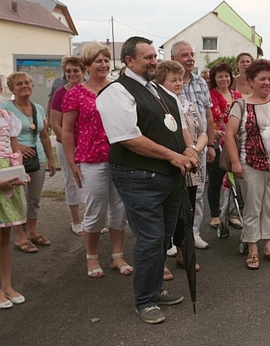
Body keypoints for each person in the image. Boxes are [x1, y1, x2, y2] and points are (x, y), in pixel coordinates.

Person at [96, 36, 199, 324]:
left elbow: (179, 126)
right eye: (147, 58)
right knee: (151, 239)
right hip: (138, 177)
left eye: (155, 56)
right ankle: (145, 300)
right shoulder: (116, 92)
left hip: (168, 177)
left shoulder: (159, 90)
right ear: (129, 61)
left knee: (163, 237)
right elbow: (128, 139)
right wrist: (173, 156)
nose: (154, 61)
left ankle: (154, 290)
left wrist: (189, 149)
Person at [62, 42, 132, 278]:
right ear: (87, 65)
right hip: (91, 161)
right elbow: (67, 131)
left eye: (105, 60)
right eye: (97, 61)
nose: (103, 65)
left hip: (120, 158)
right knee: (94, 211)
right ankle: (91, 258)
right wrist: (72, 163)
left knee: (119, 210)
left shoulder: (118, 89)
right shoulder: (75, 94)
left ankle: (117, 255)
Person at [225, 59, 270, 270]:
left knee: (269, 206)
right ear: (250, 81)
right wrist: (236, 162)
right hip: (251, 164)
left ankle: (267, 246)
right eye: (262, 79)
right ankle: (252, 249)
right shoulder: (241, 104)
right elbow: (229, 135)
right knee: (253, 207)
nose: (267, 83)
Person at [155, 61, 209, 281]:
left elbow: (203, 132)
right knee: (163, 217)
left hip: (190, 166)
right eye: (173, 80)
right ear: (160, 83)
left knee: (185, 214)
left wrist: (194, 150)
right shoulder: (156, 105)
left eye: (180, 79)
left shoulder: (188, 105)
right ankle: (159, 262)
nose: (179, 83)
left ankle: (183, 254)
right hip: (166, 167)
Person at [2, 73, 56, 254]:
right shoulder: (5, 107)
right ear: (11, 88)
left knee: (34, 199)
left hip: (38, 159)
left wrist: (50, 159)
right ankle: (20, 236)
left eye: (27, 83)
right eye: (19, 84)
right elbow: (3, 136)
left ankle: (32, 231)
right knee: (18, 198)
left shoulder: (38, 108)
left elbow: (44, 135)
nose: (24, 86)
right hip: (14, 161)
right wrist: (20, 146)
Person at [170, 41, 216, 250]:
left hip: (199, 148)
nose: (190, 58)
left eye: (191, 54)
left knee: (196, 192)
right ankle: (171, 238)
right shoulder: (164, 83)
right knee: (172, 194)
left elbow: (208, 115)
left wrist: (210, 145)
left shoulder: (200, 82)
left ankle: (193, 233)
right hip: (173, 150)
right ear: (173, 59)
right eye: (184, 55)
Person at [49, 56, 84, 235]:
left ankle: (93, 219)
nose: (72, 74)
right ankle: (76, 220)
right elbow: (55, 123)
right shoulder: (60, 94)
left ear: (83, 71)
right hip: (66, 144)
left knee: (91, 182)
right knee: (71, 181)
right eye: (68, 71)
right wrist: (70, 143)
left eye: (75, 71)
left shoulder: (89, 91)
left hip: (87, 144)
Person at [207, 62, 243, 230]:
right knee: (215, 179)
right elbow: (207, 118)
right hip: (216, 142)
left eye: (226, 75)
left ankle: (232, 213)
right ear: (214, 78)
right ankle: (214, 215)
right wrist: (213, 133)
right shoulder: (209, 96)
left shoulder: (238, 95)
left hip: (236, 142)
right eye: (220, 76)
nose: (224, 79)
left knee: (235, 179)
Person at [0, 102, 28, 308]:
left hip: (7, 176)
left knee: (4, 237)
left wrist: (19, 171)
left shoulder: (8, 117)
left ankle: (7, 285)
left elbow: (15, 148)